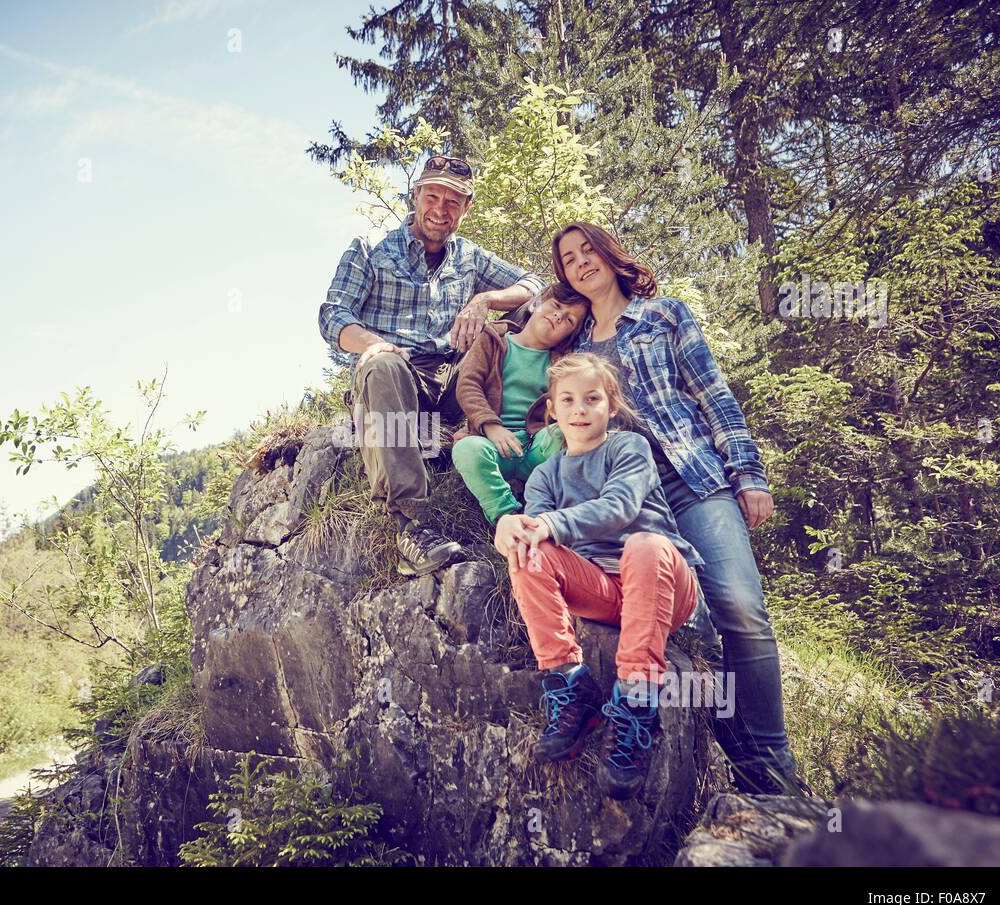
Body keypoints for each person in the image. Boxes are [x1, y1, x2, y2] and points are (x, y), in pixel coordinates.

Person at [550, 219, 801, 794]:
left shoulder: (665, 315)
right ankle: (742, 772)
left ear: (611, 255)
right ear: (563, 275)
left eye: (589, 249)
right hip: (632, 502)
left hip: (692, 479)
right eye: (568, 258)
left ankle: (775, 771)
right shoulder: (573, 345)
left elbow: (713, 394)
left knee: (740, 609)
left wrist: (748, 473)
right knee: (700, 636)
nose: (582, 261)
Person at [318, 155, 545, 576]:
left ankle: (528, 450)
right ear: (416, 195)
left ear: (467, 208)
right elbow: (333, 315)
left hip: (457, 382)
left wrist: (485, 301)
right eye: (433, 196)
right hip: (396, 376)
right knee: (383, 367)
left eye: (453, 201)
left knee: (529, 317)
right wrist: (376, 345)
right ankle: (411, 525)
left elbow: (538, 284)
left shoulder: (470, 258)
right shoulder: (370, 249)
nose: (441, 209)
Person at [497, 353, 702, 798]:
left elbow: (620, 508)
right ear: (552, 409)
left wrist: (552, 524)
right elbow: (537, 533)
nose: (579, 409)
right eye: (567, 400)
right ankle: (570, 686)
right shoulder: (544, 477)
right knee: (527, 553)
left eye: (592, 399)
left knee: (642, 544)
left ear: (611, 404)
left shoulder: (629, 448)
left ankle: (635, 703)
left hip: (662, 583)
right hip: (603, 591)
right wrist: (511, 528)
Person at [451, 282, 588, 524]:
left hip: (535, 448)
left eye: (568, 320)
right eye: (556, 306)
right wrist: (490, 427)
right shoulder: (494, 339)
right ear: (535, 304)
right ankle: (507, 515)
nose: (558, 316)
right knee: (466, 449)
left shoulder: (561, 363)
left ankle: (548, 504)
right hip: (493, 446)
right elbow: (468, 385)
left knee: (564, 432)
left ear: (570, 334)